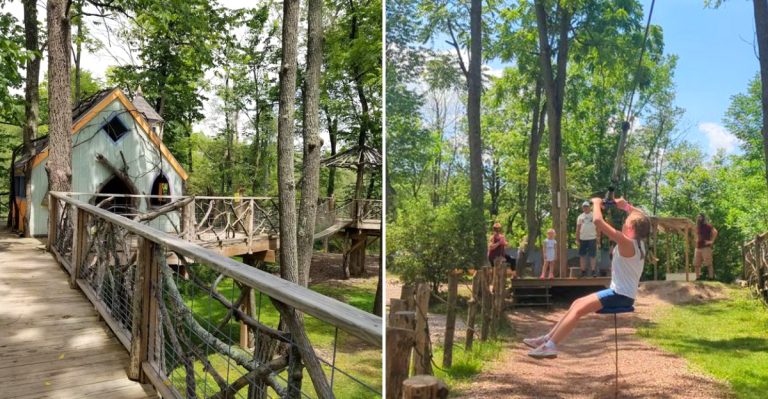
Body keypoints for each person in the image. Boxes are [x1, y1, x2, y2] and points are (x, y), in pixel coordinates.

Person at [524, 197, 650, 359]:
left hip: (620, 295)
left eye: (627, 221)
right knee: (576, 303)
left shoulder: (627, 242)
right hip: (622, 294)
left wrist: (596, 203)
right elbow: (642, 218)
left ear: (631, 228)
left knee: (577, 310)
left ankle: (551, 346)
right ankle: (547, 339)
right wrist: (625, 206)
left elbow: (597, 221)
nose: (624, 222)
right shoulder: (639, 243)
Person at [576, 201, 601, 277]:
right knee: (582, 255)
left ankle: (593, 271)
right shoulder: (580, 217)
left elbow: (598, 227)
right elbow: (578, 228)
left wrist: (598, 237)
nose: (585, 208)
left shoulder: (594, 215)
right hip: (582, 238)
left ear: (589, 207)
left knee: (592, 255)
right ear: (582, 208)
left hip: (592, 238)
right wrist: (577, 239)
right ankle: (582, 271)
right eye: (584, 207)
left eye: (587, 206)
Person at [694, 214, 718, 281]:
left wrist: (711, 241)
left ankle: (711, 278)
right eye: (698, 217)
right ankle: (697, 278)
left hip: (706, 247)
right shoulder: (697, 227)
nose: (699, 218)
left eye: (700, 217)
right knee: (696, 264)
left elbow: (715, 232)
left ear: (703, 218)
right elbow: (697, 235)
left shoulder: (708, 225)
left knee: (709, 263)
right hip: (697, 247)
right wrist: (696, 240)